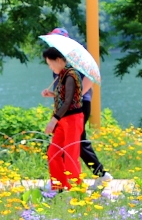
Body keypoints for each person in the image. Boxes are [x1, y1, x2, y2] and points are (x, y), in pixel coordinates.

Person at [42, 28, 113, 189]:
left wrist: (76, 97)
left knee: (74, 146)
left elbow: (91, 78)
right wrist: (54, 94)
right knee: (73, 145)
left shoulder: (73, 64)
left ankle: (81, 180)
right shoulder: (60, 67)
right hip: (66, 109)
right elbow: (64, 94)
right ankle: (62, 181)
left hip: (79, 106)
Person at [42, 47, 85, 191]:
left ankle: (77, 191)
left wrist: (53, 120)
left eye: (50, 63)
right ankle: (59, 187)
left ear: (59, 60)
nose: (50, 67)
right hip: (63, 120)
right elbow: (65, 97)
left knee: (71, 157)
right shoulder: (62, 74)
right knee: (53, 153)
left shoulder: (71, 75)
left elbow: (68, 102)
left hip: (72, 120)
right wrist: (53, 94)